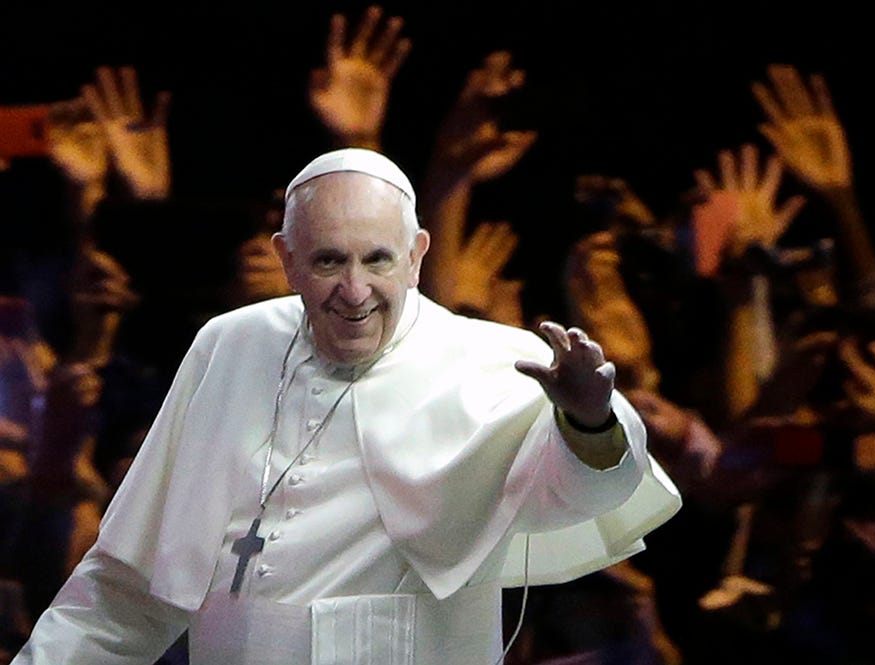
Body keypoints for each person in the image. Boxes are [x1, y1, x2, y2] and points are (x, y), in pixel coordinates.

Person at [12, 147, 681, 665]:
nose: (355, 290)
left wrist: (590, 419)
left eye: (378, 260)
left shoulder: (496, 360)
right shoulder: (229, 344)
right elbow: (130, 581)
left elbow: (589, 495)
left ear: (417, 255)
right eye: (330, 261)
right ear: (288, 258)